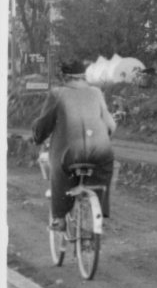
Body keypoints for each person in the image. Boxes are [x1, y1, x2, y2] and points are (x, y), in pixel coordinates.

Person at [32, 59, 116, 229]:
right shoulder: (96, 92)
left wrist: (37, 136)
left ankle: (60, 219)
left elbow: (44, 125)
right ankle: (97, 211)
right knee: (101, 174)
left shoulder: (57, 94)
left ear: (64, 77)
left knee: (58, 172)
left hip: (69, 153)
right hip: (101, 152)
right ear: (84, 77)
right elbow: (111, 125)